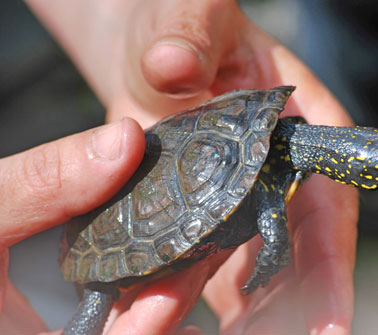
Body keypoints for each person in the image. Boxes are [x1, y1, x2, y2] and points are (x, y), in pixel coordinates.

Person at [0, 1, 358, 334]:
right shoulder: (278, 149)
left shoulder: (274, 134)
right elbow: (270, 216)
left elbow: (267, 204)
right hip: (107, 227)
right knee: (99, 297)